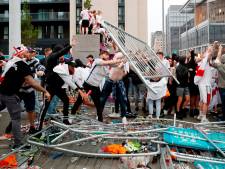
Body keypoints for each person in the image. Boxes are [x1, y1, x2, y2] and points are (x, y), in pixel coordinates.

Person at [0, 46, 50, 149]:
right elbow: (31, 82)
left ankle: (28, 130)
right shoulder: (22, 64)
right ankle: (18, 144)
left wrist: (38, 72)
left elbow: (39, 67)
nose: (30, 53)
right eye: (27, 52)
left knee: (26, 111)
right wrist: (45, 91)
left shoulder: (12, 62)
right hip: (9, 94)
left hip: (4, 92)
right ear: (22, 54)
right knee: (16, 118)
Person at [71, 50, 123, 122]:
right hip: (87, 85)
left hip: (96, 87)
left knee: (98, 105)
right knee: (79, 101)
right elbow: (107, 62)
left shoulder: (106, 67)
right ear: (101, 55)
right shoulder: (97, 61)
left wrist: (122, 62)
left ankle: (100, 121)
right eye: (105, 54)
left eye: (107, 55)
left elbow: (114, 66)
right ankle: (71, 117)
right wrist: (116, 61)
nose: (107, 56)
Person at [99, 52, 128, 124]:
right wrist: (120, 63)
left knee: (121, 99)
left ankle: (124, 117)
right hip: (109, 81)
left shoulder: (125, 63)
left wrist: (121, 70)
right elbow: (113, 64)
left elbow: (126, 72)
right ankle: (99, 115)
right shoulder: (113, 62)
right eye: (118, 58)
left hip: (118, 82)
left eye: (121, 58)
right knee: (103, 99)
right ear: (115, 57)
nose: (119, 59)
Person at [194, 47, 213, 122]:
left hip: (201, 84)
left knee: (202, 100)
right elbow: (208, 56)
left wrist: (206, 54)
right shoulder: (204, 62)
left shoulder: (201, 63)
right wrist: (209, 51)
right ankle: (204, 118)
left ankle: (200, 115)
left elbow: (206, 57)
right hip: (206, 85)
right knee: (206, 102)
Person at [211, 45, 225, 121]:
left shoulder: (222, 66)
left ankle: (223, 119)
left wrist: (219, 50)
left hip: (223, 87)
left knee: (224, 103)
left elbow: (215, 63)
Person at [187, 50, 200, 117]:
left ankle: (195, 111)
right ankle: (193, 111)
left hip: (196, 84)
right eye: (195, 58)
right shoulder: (191, 64)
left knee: (196, 97)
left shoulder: (196, 65)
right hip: (193, 84)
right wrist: (192, 53)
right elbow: (192, 60)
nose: (195, 59)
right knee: (193, 98)